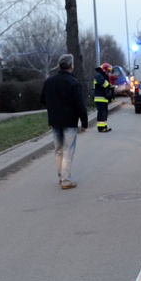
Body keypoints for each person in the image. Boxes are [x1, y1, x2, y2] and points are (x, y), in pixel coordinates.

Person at [40, 53, 88, 189]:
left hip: (54, 120)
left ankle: (61, 177)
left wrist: (54, 105)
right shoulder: (74, 83)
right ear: (71, 66)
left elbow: (42, 99)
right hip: (70, 121)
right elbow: (80, 105)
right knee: (68, 150)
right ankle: (66, 180)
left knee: (58, 150)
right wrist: (84, 123)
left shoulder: (49, 81)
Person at [93, 62, 114, 132]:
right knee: (101, 113)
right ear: (104, 70)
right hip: (100, 98)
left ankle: (104, 126)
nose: (108, 73)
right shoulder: (98, 75)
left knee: (104, 113)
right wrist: (109, 85)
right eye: (108, 71)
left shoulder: (102, 75)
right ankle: (101, 128)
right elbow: (104, 84)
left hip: (103, 98)